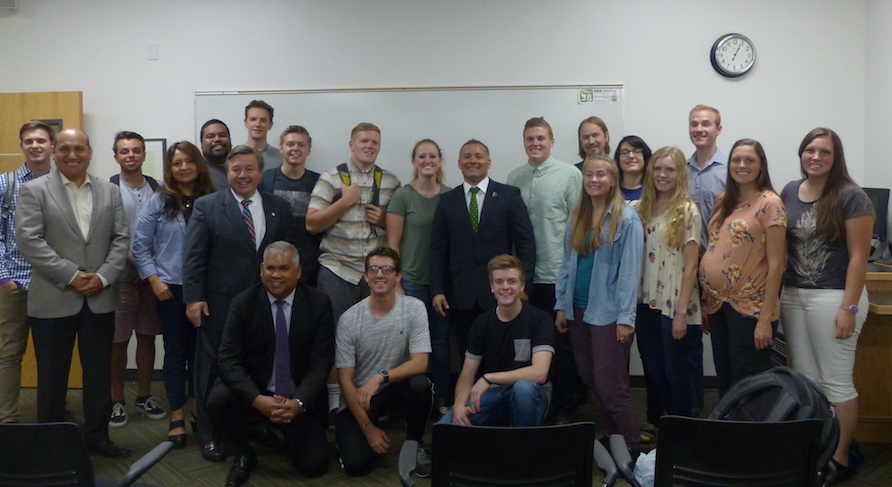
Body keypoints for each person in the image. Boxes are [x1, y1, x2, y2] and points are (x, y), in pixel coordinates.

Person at [16, 128, 130, 457]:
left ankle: (97, 437)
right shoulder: (33, 190)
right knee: (52, 378)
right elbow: (29, 241)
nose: (72, 154)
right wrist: (72, 275)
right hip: (53, 297)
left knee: (98, 375)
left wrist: (104, 277)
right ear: (54, 152)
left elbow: (121, 239)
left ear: (90, 152)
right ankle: (51, 444)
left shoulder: (109, 191)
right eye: (64, 148)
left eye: (79, 148)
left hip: (100, 297)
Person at [183, 144, 294, 462]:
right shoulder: (207, 206)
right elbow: (193, 258)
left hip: (265, 306)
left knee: (258, 368)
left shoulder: (278, 207)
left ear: (260, 172)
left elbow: (286, 254)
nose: (243, 175)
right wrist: (194, 298)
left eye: (249, 169)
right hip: (218, 306)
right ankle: (208, 433)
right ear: (227, 173)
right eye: (236, 169)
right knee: (210, 370)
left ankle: (251, 425)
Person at [779, 128, 873, 482]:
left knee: (836, 383)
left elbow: (859, 257)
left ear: (836, 158)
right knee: (806, 380)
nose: (815, 157)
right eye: (809, 150)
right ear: (801, 154)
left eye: (824, 152)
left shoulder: (851, 196)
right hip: (793, 295)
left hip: (833, 297)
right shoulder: (790, 190)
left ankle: (841, 456)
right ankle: (817, 447)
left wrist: (848, 308)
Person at [207, 241, 334, 486]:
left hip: (296, 398)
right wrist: (256, 399)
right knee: (218, 399)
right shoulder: (243, 303)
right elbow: (228, 360)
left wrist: (298, 402)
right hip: (256, 392)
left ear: (298, 272)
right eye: (270, 268)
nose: (276, 275)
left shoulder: (319, 303)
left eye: (284, 268)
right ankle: (244, 452)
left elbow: (321, 362)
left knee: (314, 467)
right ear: (261, 270)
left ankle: (273, 430)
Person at [307, 122, 400, 417]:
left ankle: (370, 401)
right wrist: (345, 202)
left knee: (376, 339)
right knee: (336, 337)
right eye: (363, 141)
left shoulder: (391, 181)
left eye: (374, 142)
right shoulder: (330, 178)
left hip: (377, 275)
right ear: (351, 145)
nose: (369, 146)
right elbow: (311, 224)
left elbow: (400, 230)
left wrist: (384, 220)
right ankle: (336, 403)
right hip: (338, 269)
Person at [555, 154, 643, 452]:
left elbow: (630, 273)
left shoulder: (626, 219)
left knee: (611, 386)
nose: (594, 179)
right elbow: (567, 265)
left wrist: (626, 318)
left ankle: (632, 447)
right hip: (578, 310)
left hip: (609, 314)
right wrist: (561, 306)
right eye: (589, 174)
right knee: (591, 380)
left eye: (600, 175)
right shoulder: (577, 216)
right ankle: (610, 438)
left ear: (612, 180)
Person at [133, 140, 215, 448]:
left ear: (198, 165)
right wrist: (154, 280)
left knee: (200, 355)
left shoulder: (213, 199)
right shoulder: (158, 201)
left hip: (204, 290)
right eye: (177, 163)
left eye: (189, 162)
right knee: (175, 353)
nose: (183, 167)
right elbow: (140, 245)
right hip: (169, 289)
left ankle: (197, 408)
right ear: (170, 169)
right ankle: (177, 413)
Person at [430, 139, 536, 358]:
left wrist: (525, 287)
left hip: (501, 292)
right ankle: (469, 393)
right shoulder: (447, 200)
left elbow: (525, 244)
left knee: (501, 352)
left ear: (488, 162)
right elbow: (438, 250)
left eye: (478, 156)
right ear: (459, 163)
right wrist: (438, 290)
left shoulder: (509, 196)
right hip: (460, 294)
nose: (473, 161)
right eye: (467, 156)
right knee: (467, 351)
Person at [506, 117, 582, 425]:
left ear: (551, 142)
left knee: (562, 348)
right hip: (524, 280)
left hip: (558, 276)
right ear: (523, 142)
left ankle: (564, 410)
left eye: (540, 138)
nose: (535, 143)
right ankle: (531, 406)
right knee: (527, 346)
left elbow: (579, 228)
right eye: (529, 139)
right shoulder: (514, 178)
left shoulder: (570, 175)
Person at [335, 247, 432, 477]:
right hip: (361, 396)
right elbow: (345, 381)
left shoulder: (414, 308)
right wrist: (368, 430)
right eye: (374, 269)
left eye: (387, 269)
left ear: (398, 275)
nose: (380, 274)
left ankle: (414, 443)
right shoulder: (349, 320)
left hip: (394, 387)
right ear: (366, 276)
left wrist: (381, 376)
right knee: (355, 466)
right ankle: (368, 434)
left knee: (421, 385)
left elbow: (421, 363)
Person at [699, 139, 786, 397]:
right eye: (736, 160)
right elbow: (715, 246)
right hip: (718, 304)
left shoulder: (770, 203)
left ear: (761, 166)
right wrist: (706, 301)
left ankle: (748, 436)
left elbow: (777, 263)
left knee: (748, 382)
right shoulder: (724, 200)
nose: (742, 165)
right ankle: (729, 433)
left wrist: (765, 320)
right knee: (725, 377)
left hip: (750, 306)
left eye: (749, 160)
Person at [634, 147, 702, 441]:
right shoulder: (639, 208)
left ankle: (680, 428)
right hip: (645, 300)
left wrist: (681, 312)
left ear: (680, 174)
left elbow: (691, 266)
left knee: (677, 371)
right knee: (653, 367)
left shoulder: (687, 211)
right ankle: (655, 421)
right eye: (658, 169)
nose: (663, 175)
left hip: (675, 302)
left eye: (670, 170)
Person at [440, 254, 554, 426]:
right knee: (447, 425)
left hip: (532, 393)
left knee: (523, 387)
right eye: (499, 282)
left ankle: (526, 447)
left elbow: (540, 373)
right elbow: (467, 375)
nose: (505, 287)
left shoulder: (540, 319)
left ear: (522, 286)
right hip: (494, 393)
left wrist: (488, 378)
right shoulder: (481, 323)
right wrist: (458, 406)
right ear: (492, 287)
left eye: (512, 281)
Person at [385, 139, 451, 413]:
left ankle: (443, 401)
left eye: (432, 156)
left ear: (439, 161)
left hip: (442, 284)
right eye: (422, 156)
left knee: (441, 343)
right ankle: (412, 403)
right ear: (413, 161)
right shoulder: (403, 195)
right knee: (409, 345)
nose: (427, 160)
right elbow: (393, 244)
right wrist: (396, 282)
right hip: (410, 281)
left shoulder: (450, 196)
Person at [107, 131, 166, 428]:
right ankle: (116, 400)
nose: (131, 155)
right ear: (115, 156)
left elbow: (165, 230)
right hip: (121, 277)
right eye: (124, 151)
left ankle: (144, 395)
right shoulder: (107, 190)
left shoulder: (158, 189)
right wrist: (134, 258)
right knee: (118, 340)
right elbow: (103, 234)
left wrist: (153, 264)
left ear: (144, 155)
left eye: (136, 151)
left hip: (152, 278)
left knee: (147, 336)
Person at [0, 122, 54, 424]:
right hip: (16, 285)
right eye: (29, 141)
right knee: (10, 355)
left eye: (41, 141)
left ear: (52, 147)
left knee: (52, 359)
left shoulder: (63, 184)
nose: (35, 146)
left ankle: (51, 415)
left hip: (54, 286)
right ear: (21, 145)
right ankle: (6, 420)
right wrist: (3, 277)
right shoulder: (6, 184)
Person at [687, 104, 726, 416]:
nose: (700, 129)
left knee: (725, 344)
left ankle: (731, 410)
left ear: (718, 129)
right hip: (686, 268)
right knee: (689, 340)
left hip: (723, 270)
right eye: (694, 124)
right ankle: (694, 412)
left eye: (706, 124)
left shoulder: (733, 169)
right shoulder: (679, 170)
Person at [259, 125, 322, 286]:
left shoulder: (320, 182)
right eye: (290, 144)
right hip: (272, 265)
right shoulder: (265, 179)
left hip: (310, 265)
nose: (295, 149)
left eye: (301, 145)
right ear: (281, 148)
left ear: (309, 149)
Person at [243, 100, 283, 171]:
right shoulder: (234, 155)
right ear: (245, 123)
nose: (258, 124)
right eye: (253, 119)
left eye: (263, 120)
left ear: (270, 125)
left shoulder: (280, 158)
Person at [613, 135, 653, 204]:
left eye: (637, 151)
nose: (631, 156)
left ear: (645, 156)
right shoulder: (611, 191)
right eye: (624, 152)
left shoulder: (654, 190)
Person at [200, 119, 233, 191]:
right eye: (210, 136)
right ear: (201, 143)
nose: (217, 139)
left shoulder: (242, 170)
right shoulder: (197, 172)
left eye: (222, 135)